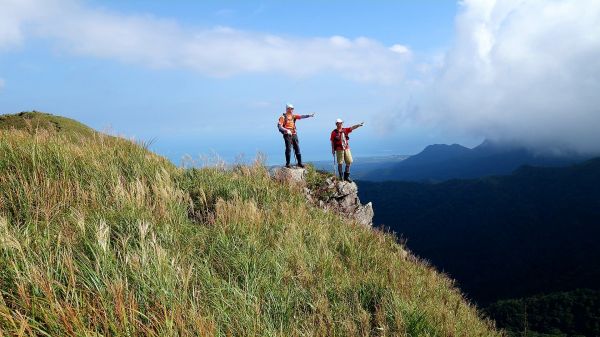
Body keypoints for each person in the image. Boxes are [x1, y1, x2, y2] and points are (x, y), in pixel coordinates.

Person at [277, 103, 315, 168]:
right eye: (290, 108)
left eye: (292, 109)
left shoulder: (293, 116)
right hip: (287, 134)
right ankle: (288, 163)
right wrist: (286, 130)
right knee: (288, 148)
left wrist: (309, 115)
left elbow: (301, 116)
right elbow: (279, 126)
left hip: (294, 133)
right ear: (287, 109)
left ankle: (299, 163)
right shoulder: (282, 117)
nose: (292, 110)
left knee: (297, 147)